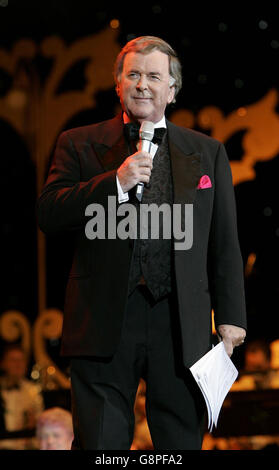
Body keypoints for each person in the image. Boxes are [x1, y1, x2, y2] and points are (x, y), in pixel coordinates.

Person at [37, 36, 247, 450]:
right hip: (103, 318)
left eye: (154, 76)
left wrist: (232, 315)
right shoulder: (78, 142)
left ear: (172, 89)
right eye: (133, 74)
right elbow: (49, 212)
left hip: (179, 319)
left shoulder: (207, 152)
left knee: (179, 444)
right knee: (102, 444)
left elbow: (224, 241)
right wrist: (114, 181)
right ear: (118, 85)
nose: (142, 84)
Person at [0, 344, 44, 449]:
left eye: (21, 360)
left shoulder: (33, 390)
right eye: (13, 360)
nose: (18, 364)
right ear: (3, 364)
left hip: (25, 445)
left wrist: (35, 422)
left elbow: (40, 419)